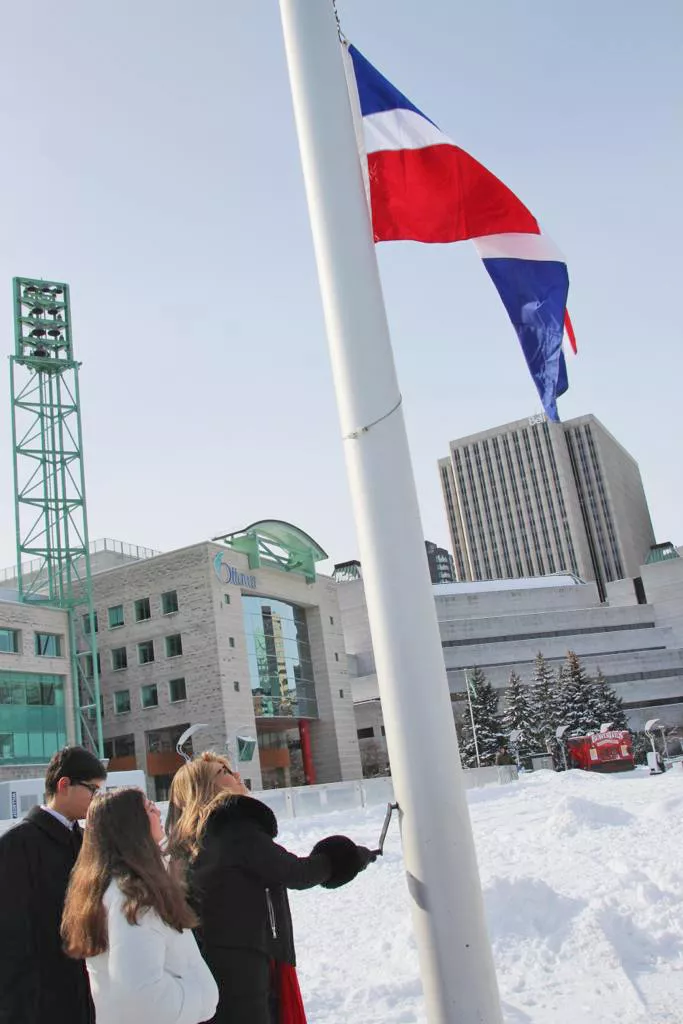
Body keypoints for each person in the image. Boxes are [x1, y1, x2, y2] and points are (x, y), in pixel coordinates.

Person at [166, 752, 376, 1024]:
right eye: (225, 772)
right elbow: (297, 872)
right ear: (206, 787)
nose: (237, 775)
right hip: (246, 962)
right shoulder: (235, 829)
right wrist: (351, 857)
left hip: (206, 961)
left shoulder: (186, 841)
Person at [61, 787, 218, 1024]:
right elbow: (142, 995)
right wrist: (201, 998)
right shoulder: (134, 898)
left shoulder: (114, 886)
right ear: (131, 825)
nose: (157, 810)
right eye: (147, 807)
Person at [0, 744, 107, 1024]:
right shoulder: (17, 845)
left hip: (84, 992)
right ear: (64, 785)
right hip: (39, 1002)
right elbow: (11, 937)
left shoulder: (87, 840)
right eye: (93, 790)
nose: (97, 799)